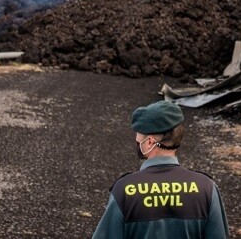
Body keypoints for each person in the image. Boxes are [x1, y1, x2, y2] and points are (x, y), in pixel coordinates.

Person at [91, 100, 228, 239]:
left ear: (149, 142)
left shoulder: (124, 190)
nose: (137, 141)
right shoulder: (207, 188)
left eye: (138, 136)